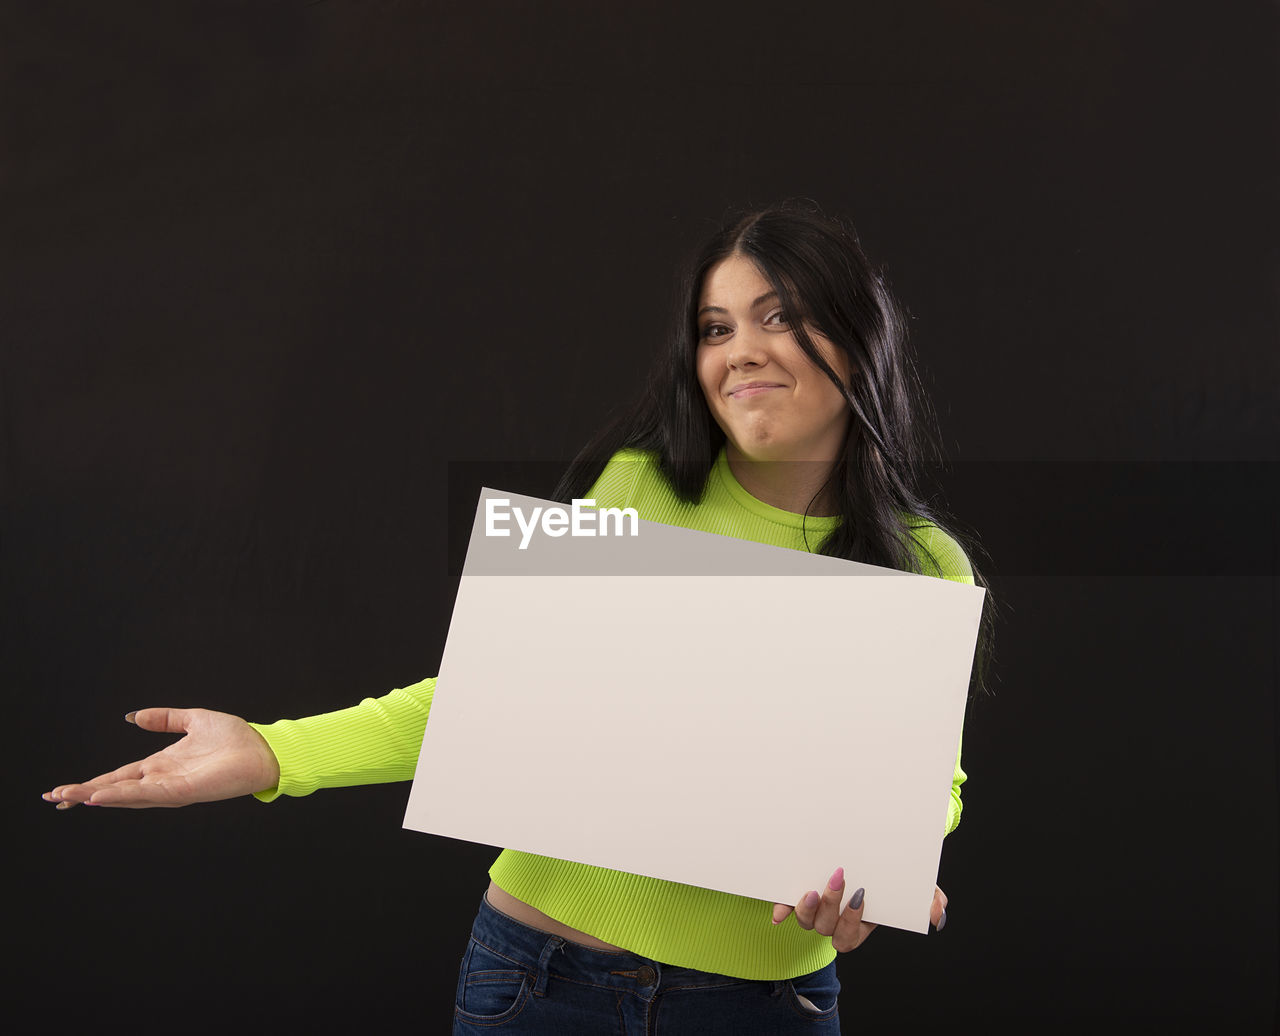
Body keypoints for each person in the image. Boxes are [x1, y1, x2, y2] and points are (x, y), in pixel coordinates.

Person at [44, 200, 993, 1034]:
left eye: (776, 316)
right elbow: (505, 705)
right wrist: (273, 752)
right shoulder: (643, 487)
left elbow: (929, 786)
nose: (739, 348)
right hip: (541, 981)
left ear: (856, 331)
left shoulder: (924, 564)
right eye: (713, 327)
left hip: (765, 1006)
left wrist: (881, 875)